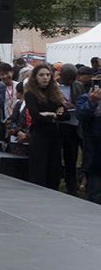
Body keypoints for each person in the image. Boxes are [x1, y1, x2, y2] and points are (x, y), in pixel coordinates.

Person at [24, 63, 67, 190]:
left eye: (48, 75)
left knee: (53, 168)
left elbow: (65, 116)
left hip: (54, 135)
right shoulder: (30, 94)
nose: (45, 78)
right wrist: (55, 115)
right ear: (35, 77)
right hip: (39, 135)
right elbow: (36, 116)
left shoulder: (54, 93)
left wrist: (49, 115)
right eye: (41, 75)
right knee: (39, 168)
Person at [56, 63, 85, 195]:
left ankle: (71, 188)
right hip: (56, 126)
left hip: (72, 127)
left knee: (71, 159)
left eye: (73, 79)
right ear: (60, 75)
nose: (71, 82)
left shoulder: (78, 86)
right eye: (68, 79)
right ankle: (54, 184)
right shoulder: (53, 86)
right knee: (55, 158)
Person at [74, 82, 101, 204]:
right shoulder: (86, 97)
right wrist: (92, 102)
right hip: (95, 152)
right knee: (95, 192)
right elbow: (80, 115)